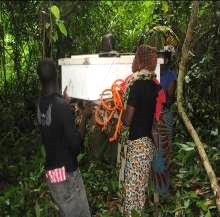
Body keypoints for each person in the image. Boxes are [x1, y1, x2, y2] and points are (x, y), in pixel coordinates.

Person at [37, 59, 91, 217]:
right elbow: (75, 146)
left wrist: (64, 102)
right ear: (57, 74)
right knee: (81, 213)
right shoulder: (61, 106)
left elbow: (54, 118)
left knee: (66, 211)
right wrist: (84, 117)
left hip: (52, 171)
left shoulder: (40, 103)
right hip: (67, 172)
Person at [119, 44, 165, 216]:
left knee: (131, 190)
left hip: (136, 145)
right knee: (141, 189)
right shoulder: (155, 86)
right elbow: (154, 117)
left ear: (139, 59)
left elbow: (128, 120)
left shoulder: (135, 85)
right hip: (147, 145)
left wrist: (121, 115)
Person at [151, 50, 177, 195]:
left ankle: (162, 191)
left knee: (162, 151)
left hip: (163, 116)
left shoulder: (170, 76)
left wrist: (158, 96)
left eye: (161, 57)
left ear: (166, 60)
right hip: (153, 116)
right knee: (154, 151)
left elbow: (170, 98)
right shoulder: (153, 73)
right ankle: (155, 189)